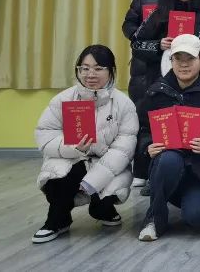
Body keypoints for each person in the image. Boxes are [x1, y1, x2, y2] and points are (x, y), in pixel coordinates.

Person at [32, 45, 138, 243]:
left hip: (106, 161)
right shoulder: (63, 99)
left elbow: (124, 149)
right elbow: (45, 135)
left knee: (111, 184)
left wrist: (92, 180)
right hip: (71, 157)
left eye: (98, 68)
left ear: (111, 71)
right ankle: (57, 219)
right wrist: (73, 148)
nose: (90, 74)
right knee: (59, 176)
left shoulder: (124, 104)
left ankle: (102, 209)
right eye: (85, 68)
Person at [136, 35, 200, 241]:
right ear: (170, 60)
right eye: (178, 58)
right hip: (167, 168)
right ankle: (154, 219)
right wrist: (147, 146)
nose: (184, 64)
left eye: (190, 58)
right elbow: (142, 129)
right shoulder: (156, 92)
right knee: (169, 159)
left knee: (198, 219)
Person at [130, 0, 200, 184]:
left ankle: (192, 177)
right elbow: (136, 44)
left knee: (191, 131)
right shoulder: (160, 12)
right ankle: (152, 174)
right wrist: (158, 44)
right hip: (162, 81)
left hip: (196, 84)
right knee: (158, 129)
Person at [121, 0, 180, 104]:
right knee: (145, 108)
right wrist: (142, 39)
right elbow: (128, 25)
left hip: (176, 58)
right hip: (145, 64)